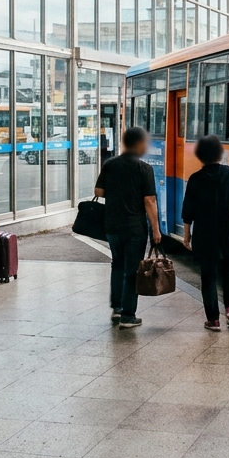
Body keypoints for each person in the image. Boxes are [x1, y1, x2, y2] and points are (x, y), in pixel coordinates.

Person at [94, 126, 161, 329]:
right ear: (139, 144)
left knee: (117, 265)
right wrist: (156, 229)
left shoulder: (110, 164)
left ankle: (116, 308)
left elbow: (98, 191)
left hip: (112, 226)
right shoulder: (144, 169)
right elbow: (149, 201)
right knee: (132, 270)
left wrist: (117, 192)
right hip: (134, 228)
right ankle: (128, 315)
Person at [180, 135, 229, 331]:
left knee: (208, 276)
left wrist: (187, 236)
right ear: (220, 154)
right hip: (228, 232)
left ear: (200, 155)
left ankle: (213, 320)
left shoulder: (195, 179)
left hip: (204, 234)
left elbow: (188, 212)